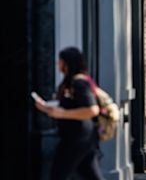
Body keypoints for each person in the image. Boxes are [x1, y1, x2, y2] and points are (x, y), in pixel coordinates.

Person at [34, 47, 103, 180]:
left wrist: (63, 114)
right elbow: (64, 107)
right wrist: (45, 107)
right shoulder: (69, 82)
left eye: (60, 61)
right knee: (91, 174)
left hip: (77, 137)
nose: (57, 64)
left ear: (67, 63)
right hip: (81, 136)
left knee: (58, 174)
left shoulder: (79, 83)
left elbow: (92, 110)